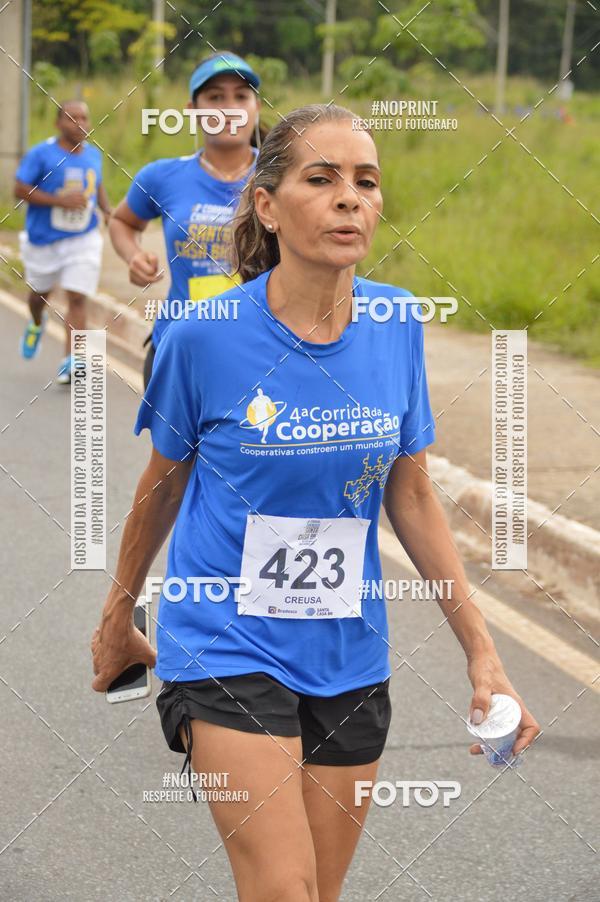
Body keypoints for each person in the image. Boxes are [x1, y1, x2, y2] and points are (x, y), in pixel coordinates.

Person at [91, 104, 540, 902]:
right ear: (267, 204)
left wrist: (482, 652)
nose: (350, 198)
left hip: (349, 653)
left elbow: (412, 493)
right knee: (283, 893)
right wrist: (117, 615)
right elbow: (161, 486)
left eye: (366, 182)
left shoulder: (398, 323)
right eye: (321, 178)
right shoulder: (203, 335)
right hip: (225, 645)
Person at [108, 50, 265, 388]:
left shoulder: (281, 177)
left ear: (257, 107)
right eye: (215, 97)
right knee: (171, 444)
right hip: (179, 347)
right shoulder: (162, 177)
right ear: (192, 111)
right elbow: (121, 222)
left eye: (241, 96)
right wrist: (134, 257)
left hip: (260, 351)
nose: (229, 108)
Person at [15, 100, 111, 383]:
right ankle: (35, 322)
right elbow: (20, 189)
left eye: (85, 117)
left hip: (83, 238)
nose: (80, 122)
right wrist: (59, 201)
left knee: (77, 296)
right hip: (43, 241)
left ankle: (72, 360)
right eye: (73, 117)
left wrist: (108, 210)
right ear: (59, 123)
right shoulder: (41, 154)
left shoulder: (94, 155)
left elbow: (98, 184)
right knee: (38, 295)